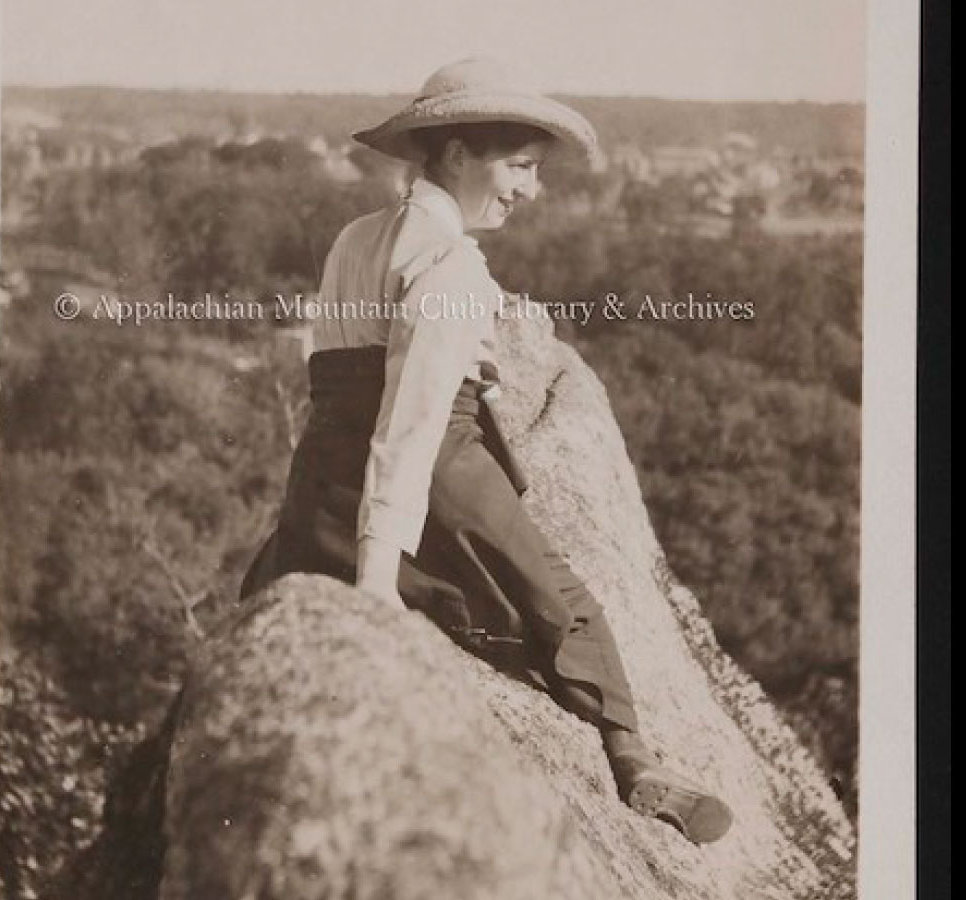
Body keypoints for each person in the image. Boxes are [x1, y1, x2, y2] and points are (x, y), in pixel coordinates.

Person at [241, 57, 733, 845]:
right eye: (521, 167)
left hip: (322, 484)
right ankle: (633, 758)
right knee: (568, 607)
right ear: (457, 153)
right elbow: (410, 424)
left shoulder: (354, 238)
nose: (530, 190)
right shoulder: (454, 265)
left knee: (279, 579)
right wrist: (375, 584)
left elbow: (341, 381)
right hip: (430, 475)